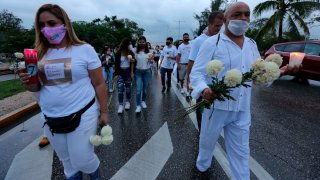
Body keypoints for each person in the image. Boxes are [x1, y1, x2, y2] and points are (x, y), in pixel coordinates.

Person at [190, 2, 300, 179]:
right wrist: (204, 90)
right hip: (215, 108)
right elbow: (196, 74)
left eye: (247, 14)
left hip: (241, 109)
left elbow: (257, 76)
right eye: (237, 14)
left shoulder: (251, 44)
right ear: (226, 19)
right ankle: (202, 167)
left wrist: (279, 73)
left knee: (241, 152)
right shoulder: (212, 43)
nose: (243, 18)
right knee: (207, 143)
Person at [18, 4, 108, 179]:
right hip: (51, 117)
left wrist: (104, 112)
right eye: (42, 25)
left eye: (52, 23)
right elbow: (36, 88)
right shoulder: (38, 55)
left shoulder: (85, 50)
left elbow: (99, 83)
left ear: (65, 23)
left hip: (83, 113)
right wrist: (28, 82)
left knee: (82, 159)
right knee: (67, 162)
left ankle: (95, 175)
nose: (47, 29)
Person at [187, 11, 224, 132]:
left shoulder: (222, 40)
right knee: (203, 119)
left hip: (218, 86)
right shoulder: (199, 41)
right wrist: (190, 82)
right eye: (216, 26)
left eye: (221, 26)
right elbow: (191, 62)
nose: (219, 29)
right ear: (209, 24)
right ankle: (202, 141)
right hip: (203, 85)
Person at [132, 36, 153, 113]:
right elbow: (133, 61)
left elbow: (151, 62)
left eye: (143, 42)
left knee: (144, 90)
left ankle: (143, 101)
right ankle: (138, 106)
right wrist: (132, 60)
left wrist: (151, 60)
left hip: (147, 72)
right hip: (138, 72)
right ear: (138, 43)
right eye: (140, 42)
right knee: (138, 90)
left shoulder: (149, 52)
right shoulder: (135, 52)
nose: (141, 43)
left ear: (145, 43)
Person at [114, 38, 135, 113]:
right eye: (129, 43)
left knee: (128, 88)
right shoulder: (118, 53)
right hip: (120, 72)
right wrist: (116, 74)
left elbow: (132, 63)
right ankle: (120, 105)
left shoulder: (131, 53)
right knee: (120, 89)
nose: (130, 45)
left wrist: (132, 73)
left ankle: (128, 102)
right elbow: (116, 64)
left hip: (128, 72)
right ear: (126, 44)